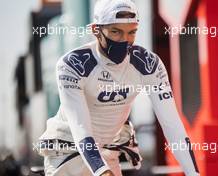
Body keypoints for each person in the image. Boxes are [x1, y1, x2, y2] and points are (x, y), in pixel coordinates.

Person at [38, 0, 200, 176]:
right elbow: (80, 127)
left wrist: (194, 173)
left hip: (108, 150)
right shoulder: (73, 64)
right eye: (116, 32)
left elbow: (172, 125)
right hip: (67, 151)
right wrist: (101, 171)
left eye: (132, 32)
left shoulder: (148, 64)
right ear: (96, 30)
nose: (124, 40)